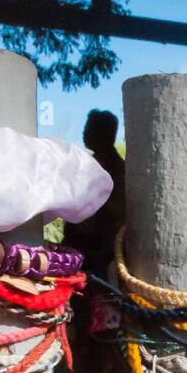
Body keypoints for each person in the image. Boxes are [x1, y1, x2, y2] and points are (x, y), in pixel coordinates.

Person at [65, 109, 125, 270]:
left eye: (89, 129)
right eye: (86, 129)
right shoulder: (88, 163)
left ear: (105, 133)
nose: (85, 134)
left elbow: (117, 210)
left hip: (101, 247)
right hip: (79, 242)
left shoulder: (117, 169)